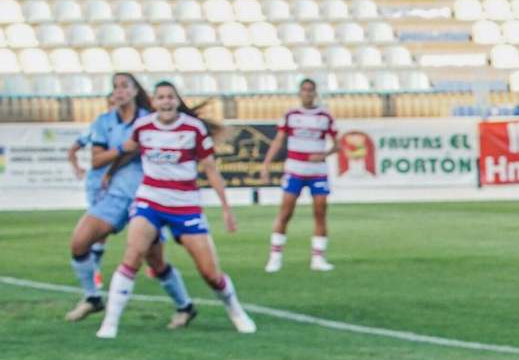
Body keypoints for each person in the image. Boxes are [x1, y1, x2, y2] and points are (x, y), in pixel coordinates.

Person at [96, 81, 255, 338]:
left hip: (185, 206)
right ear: (155, 103)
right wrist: (111, 172)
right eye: (160, 97)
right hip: (150, 202)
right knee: (134, 254)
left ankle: (236, 311)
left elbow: (211, 169)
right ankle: (110, 323)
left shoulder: (193, 129)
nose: (166, 102)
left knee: (209, 273)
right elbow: (128, 150)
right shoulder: (143, 126)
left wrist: (226, 208)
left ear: (177, 101)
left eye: (170, 97)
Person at [62, 74, 192, 327]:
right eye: (115, 87)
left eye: (124, 86)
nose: (119, 91)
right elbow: (97, 160)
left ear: (134, 92)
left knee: (155, 261)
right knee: (79, 243)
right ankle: (92, 298)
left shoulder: (149, 120)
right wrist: (123, 150)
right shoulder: (104, 122)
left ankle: (185, 306)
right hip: (116, 196)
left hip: (146, 199)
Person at [259, 77, 337, 273]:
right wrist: (266, 164)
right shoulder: (291, 115)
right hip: (295, 170)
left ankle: (317, 258)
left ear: (315, 93)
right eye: (304, 90)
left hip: (317, 172)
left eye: (311, 90)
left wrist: (324, 154)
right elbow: (278, 141)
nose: (308, 93)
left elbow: (338, 144)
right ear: (300, 93)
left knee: (320, 213)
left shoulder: (325, 116)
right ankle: (275, 257)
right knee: (285, 213)